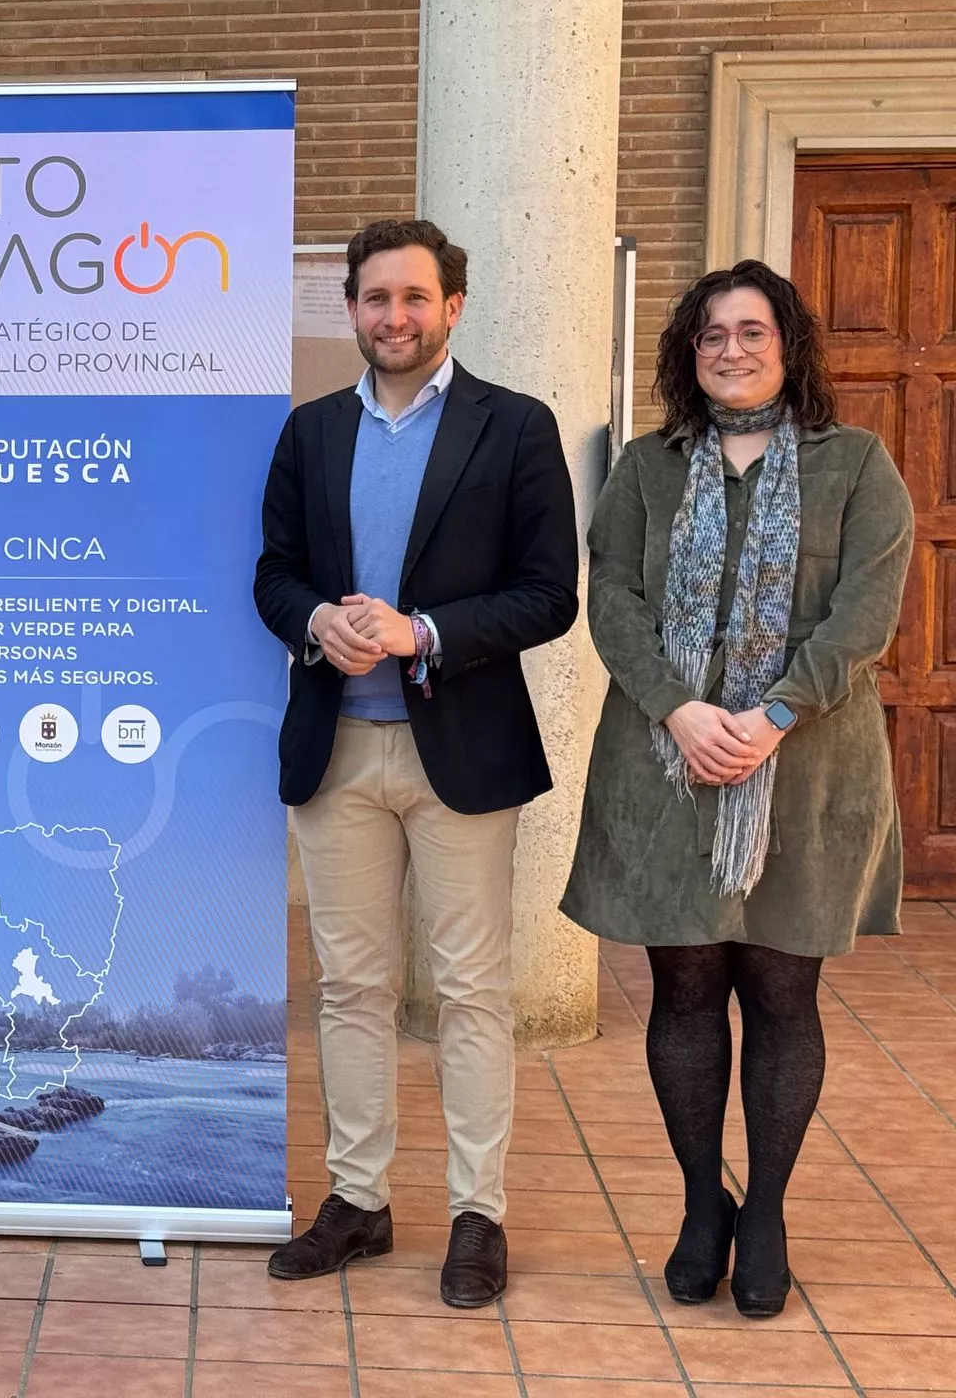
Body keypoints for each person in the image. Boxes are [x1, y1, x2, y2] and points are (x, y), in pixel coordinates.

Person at [561, 260, 911, 1317]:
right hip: (668, 764)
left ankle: (764, 1214)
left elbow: (864, 612)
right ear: (689, 352)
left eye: (751, 331)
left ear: (787, 345)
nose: (730, 349)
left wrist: (771, 716)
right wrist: (678, 707)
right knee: (682, 990)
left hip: (804, 765)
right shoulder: (646, 467)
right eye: (710, 334)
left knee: (780, 992)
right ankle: (698, 1205)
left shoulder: (856, 464)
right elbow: (613, 599)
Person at [254, 219, 578, 1308]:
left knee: (470, 991)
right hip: (336, 749)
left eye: (413, 297)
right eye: (375, 298)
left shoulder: (514, 426)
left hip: (462, 754)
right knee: (350, 988)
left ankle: (476, 1215)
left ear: (452, 308)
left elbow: (549, 594)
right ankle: (358, 1201)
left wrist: (421, 632)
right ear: (350, 308)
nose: (393, 317)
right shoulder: (310, 432)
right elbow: (274, 574)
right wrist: (316, 624)